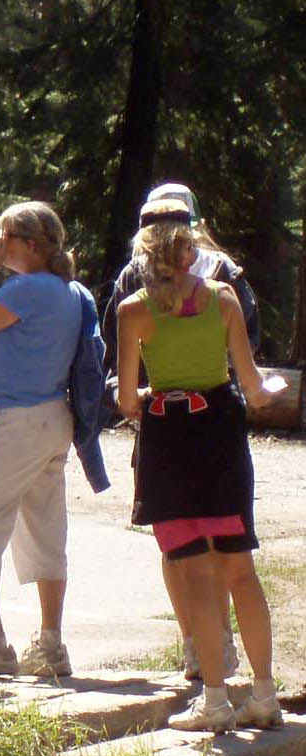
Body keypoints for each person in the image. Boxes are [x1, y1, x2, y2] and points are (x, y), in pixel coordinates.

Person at [115, 212, 285, 731]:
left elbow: (125, 399)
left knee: (196, 576)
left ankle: (214, 701)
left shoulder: (132, 311)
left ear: (145, 258)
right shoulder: (223, 299)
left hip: (169, 443)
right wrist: (273, 390)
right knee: (240, 571)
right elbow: (253, 387)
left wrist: (147, 395)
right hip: (221, 440)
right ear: (190, 255)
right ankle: (263, 695)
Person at [102, 182, 259, 682]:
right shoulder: (223, 281)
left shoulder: (139, 282)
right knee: (227, 557)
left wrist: (144, 399)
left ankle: (201, 650)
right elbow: (248, 353)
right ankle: (231, 663)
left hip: (164, 424)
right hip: (217, 422)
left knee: (183, 550)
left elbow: (118, 359)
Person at [0, 203, 94, 678]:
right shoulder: (71, 291)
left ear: (29, 245)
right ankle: (50, 644)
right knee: (45, 530)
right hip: (54, 418)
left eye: (4, 236)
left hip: (17, 421)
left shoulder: (26, 289)